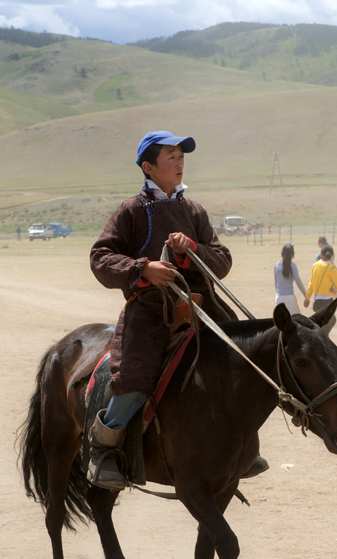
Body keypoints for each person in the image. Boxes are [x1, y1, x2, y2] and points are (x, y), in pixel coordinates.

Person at [88, 130, 241, 490]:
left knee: (242, 361)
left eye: (182, 155)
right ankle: (104, 450)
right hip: (151, 310)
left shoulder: (194, 210)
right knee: (134, 378)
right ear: (148, 167)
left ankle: (241, 446)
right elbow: (100, 258)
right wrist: (143, 269)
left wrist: (191, 249)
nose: (180, 161)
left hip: (202, 307)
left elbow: (222, 261)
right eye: (171, 156)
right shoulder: (131, 210)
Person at [303, 244, 337, 335]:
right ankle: (323, 338)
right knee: (331, 321)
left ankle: (321, 337)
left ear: (321, 255)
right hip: (328, 302)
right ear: (332, 256)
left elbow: (311, 284)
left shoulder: (315, 266)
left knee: (321, 323)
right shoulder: (331, 269)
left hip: (317, 301)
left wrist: (307, 298)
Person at [274, 243, 306, 314]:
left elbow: (276, 284)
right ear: (293, 254)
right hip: (289, 297)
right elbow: (298, 282)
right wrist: (305, 295)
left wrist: (279, 293)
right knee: (297, 320)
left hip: (279, 298)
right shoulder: (293, 266)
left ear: (282, 253)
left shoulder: (276, 266)